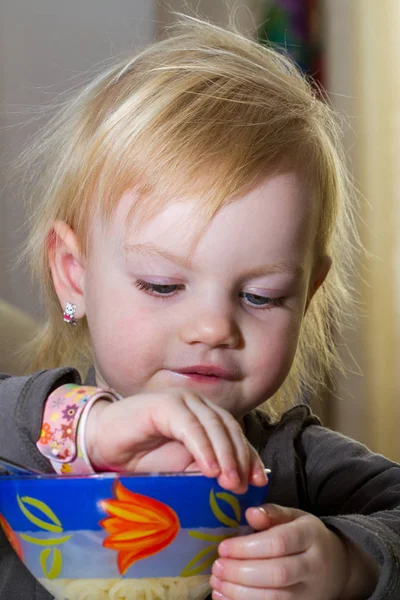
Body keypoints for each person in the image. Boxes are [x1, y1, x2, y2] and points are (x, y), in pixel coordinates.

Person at [0, 15, 399, 600]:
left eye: (261, 296)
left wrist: (350, 564)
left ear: (307, 297)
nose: (214, 328)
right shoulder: (25, 437)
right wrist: (81, 429)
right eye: (163, 285)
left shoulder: (302, 469)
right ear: (73, 275)